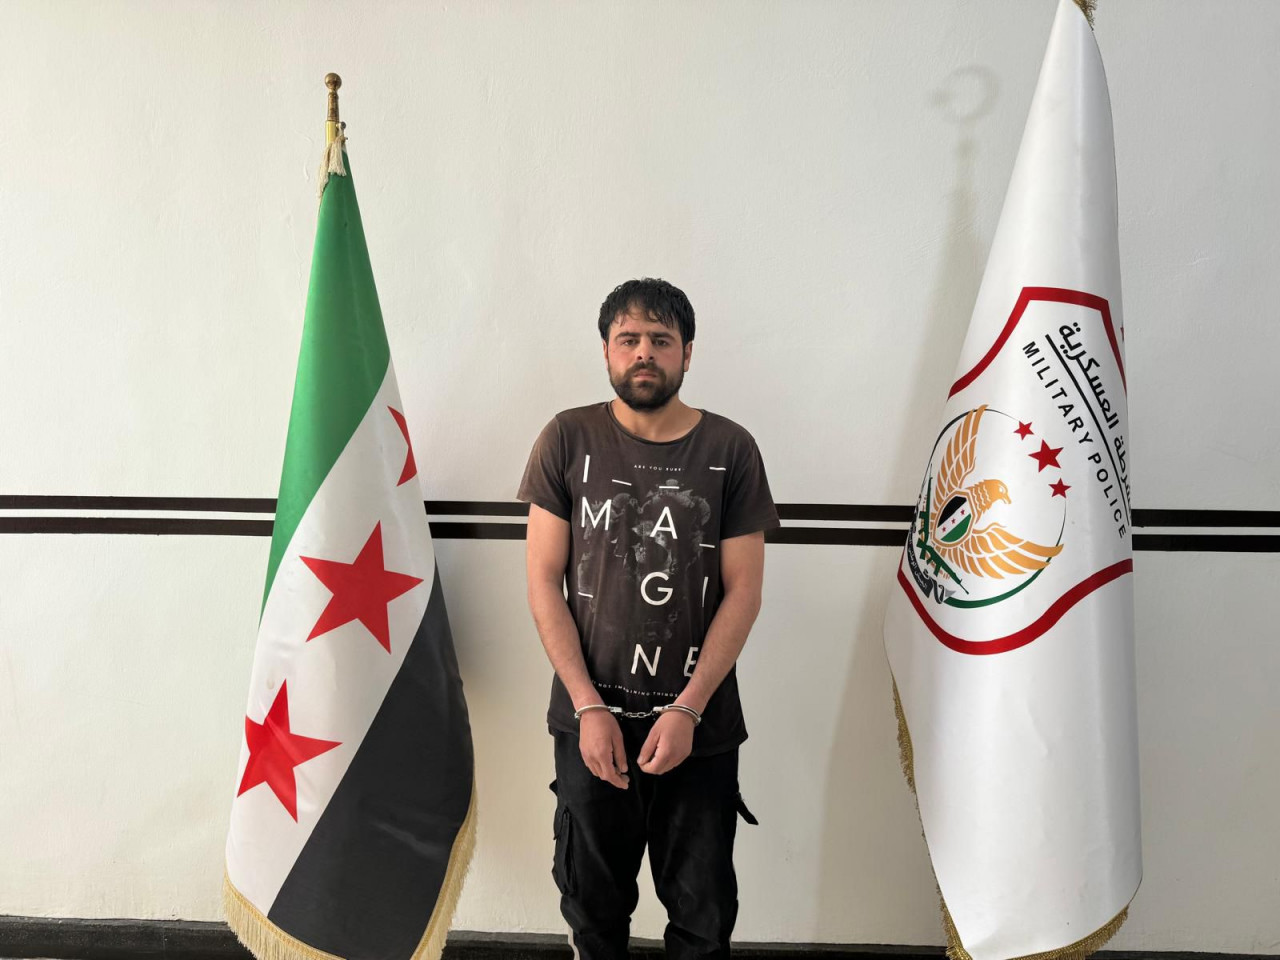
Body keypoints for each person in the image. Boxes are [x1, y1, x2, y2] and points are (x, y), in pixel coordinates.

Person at [517, 277, 779, 960]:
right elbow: (543, 582)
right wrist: (587, 706)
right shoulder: (567, 438)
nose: (644, 353)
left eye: (661, 340)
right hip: (590, 720)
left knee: (702, 916)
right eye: (628, 339)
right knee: (593, 912)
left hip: (699, 725)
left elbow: (744, 592)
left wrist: (688, 709)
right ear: (606, 350)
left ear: (687, 353)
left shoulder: (731, 448)